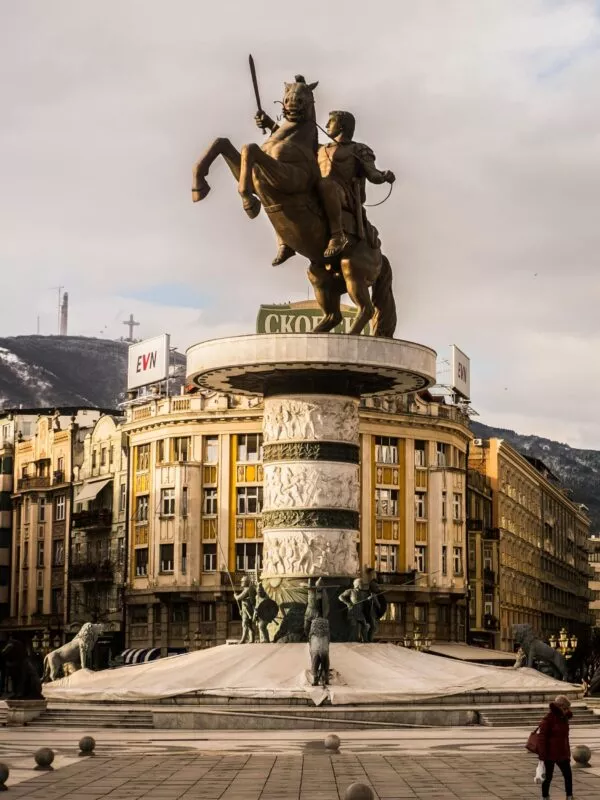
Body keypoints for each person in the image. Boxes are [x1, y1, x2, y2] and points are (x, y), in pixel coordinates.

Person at [255, 108, 395, 265]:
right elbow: (292, 139)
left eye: (332, 121)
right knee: (287, 190)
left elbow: (373, 174)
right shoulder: (321, 148)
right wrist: (269, 123)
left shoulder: (358, 149)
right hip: (319, 189)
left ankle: (337, 234)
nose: (327, 124)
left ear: (341, 126)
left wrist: (383, 176)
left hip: (343, 193)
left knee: (325, 183)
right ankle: (286, 242)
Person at [536, 694, 573, 800]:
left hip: (562, 752)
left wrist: (568, 752)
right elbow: (542, 738)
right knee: (548, 777)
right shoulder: (548, 719)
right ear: (560, 706)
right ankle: (545, 796)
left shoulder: (564, 718)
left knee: (568, 775)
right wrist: (542, 755)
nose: (567, 710)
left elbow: (565, 737)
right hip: (550, 753)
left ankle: (569, 796)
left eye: (568, 708)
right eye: (565, 708)